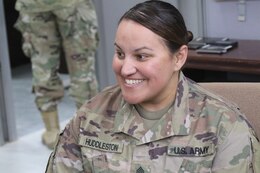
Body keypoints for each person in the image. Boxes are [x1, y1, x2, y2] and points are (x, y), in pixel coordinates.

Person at [45, 0, 260, 172]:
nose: (125, 68)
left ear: (179, 58)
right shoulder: (90, 116)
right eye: (120, 53)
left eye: (141, 56)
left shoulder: (224, 126)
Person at [14, 0, 99, 149]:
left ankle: (52, 130)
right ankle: (87, 128)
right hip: (71, 5)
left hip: (35, 5)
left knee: (43, 64)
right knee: (81, 68)